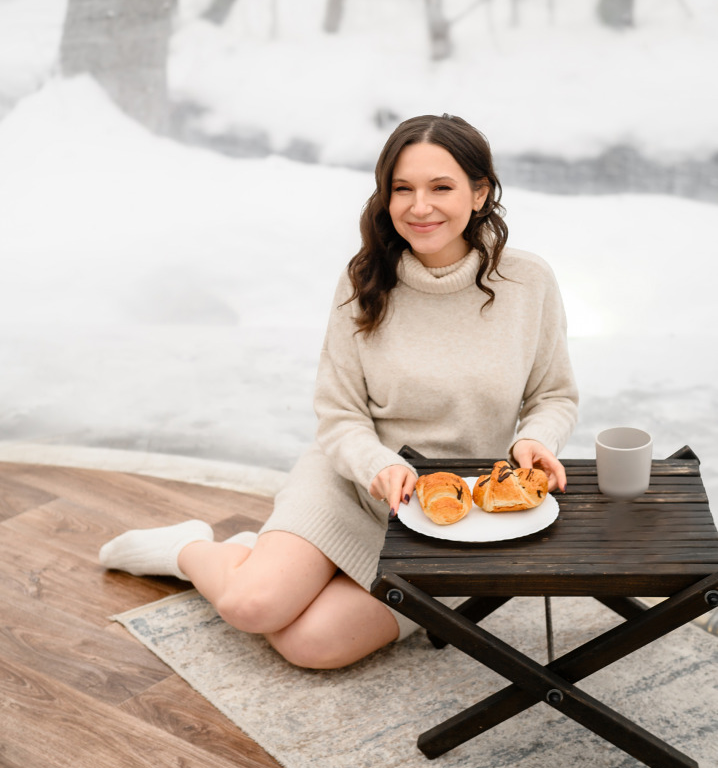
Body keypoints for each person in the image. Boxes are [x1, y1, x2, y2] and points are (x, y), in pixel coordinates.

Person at [99, 113, 578, 669]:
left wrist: (536, 440)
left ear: (480, 192)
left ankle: (269, 561)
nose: (419, 206)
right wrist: (376, 465)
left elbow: (553, 396)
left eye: (440, 187)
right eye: (403, 189)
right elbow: (340, 413)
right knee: (252, 606)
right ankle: (192, 550)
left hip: (452, 518)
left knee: (311, 645)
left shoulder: (527, 282)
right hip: (353, 482)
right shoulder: (365, 281)